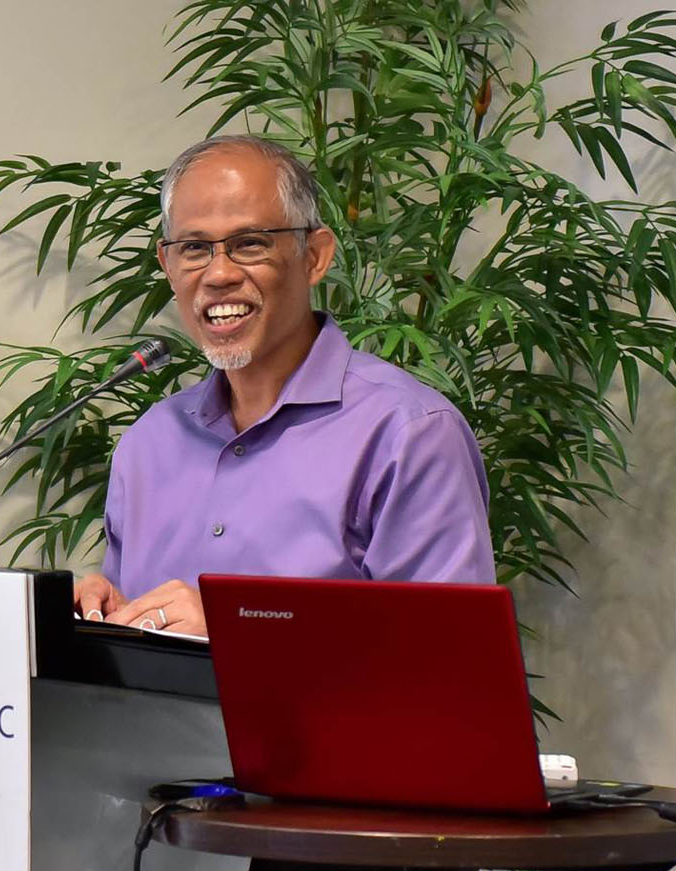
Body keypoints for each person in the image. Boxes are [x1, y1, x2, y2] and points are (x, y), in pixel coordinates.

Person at [74, 134, 495, 633]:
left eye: (249, 243)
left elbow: (446, 652)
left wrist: (241, 632)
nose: (219, 274)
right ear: (167, 266)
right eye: (194, 248)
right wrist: (105, 614)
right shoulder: (149, 443)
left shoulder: (408, 434)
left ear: (315, 256)